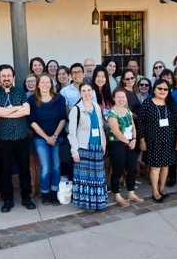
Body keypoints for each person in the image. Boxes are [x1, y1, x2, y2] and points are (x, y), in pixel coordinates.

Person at [0, 64, 36, 212]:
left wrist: (6, 111)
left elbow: (27, 111)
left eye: (9, 75)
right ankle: (8, 199)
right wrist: (17, 109)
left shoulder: (20, 92)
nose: (6, 78)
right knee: (5, 171)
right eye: (3, 76)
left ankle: (26, 197)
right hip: (4, 140)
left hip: (21, 138)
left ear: (13, 77)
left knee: (24, 169)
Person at [138, 79, 177, 202]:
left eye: (165, 89)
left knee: (165, 166)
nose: (162, 91)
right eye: (160, 88)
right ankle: (155, 190)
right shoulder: (147, 104)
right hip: (153, 141)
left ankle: (162, 187)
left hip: (169, 141)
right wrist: (142, 141)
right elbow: (141, 124)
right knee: (155, 167)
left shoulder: (172, 105)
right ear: (154, 89)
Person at [68, 83, 108, 213]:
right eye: (83, 91)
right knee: (85, 178)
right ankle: (86, 203)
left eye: (89, 90)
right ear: (80, 93)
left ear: (92, 92)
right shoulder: (76, 109)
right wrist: (75, 151)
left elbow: (101, 127)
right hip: (84, 147)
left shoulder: (96, 107)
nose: (86, 93)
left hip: (96, 147)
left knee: (97, 177)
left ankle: (98, 202)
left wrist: (103, 145)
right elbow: (72, 132)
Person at [28, 74, 67, 205]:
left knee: (56, 166)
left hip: (57, 136)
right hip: (40, 138)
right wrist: (46, 137)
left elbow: (63, 118)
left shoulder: (59, 99)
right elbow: (32, 122)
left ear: (51, 84)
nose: (45, 85)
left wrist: (54, 136)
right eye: (42, 82)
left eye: (47, 82)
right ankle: (45, 193)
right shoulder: (32, 100)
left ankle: (54, 193)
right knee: (45, 168)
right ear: (38, 84)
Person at [107, 89, 145, 206]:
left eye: (123, 97)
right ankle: (117, 196)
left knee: (132, 169)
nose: (121, 99)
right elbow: (116, 131)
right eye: (118, 97)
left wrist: (134, 139)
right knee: (117, 171)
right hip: (118, 144)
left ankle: (131, 192)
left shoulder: (128, 111)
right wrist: (127, 141)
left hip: (129, 144)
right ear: (114, 98)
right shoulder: (112, 113)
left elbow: (133, 127)